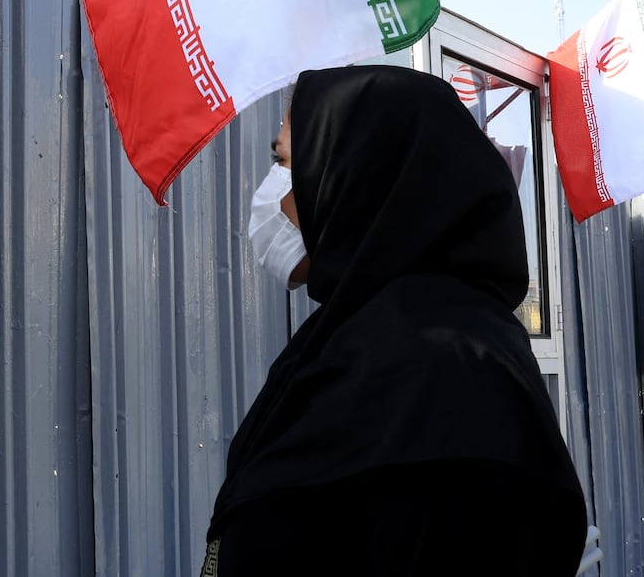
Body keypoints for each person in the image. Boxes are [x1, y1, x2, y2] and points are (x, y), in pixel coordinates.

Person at [209, 65, 587, 575]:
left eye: (286, 164)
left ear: (357, 179)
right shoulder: (377, 333)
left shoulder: (438, 372)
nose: (271, 194)